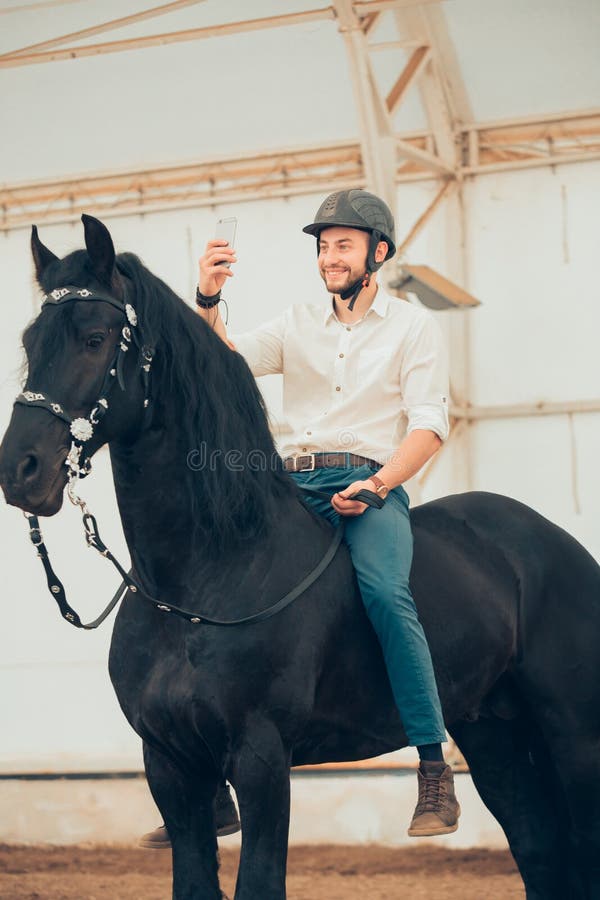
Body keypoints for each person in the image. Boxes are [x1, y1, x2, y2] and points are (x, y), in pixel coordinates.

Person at [141, 188, 459, 850]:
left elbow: (430, 426)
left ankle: (433, 764)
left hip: (369, 483)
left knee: (386, 593)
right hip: (291, 483)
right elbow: (218, 362)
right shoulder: (295, 323)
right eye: (321, 246)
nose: (328, 257)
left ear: (378, 251)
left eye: (342, 244)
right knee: (212, 579)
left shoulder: (413, 328)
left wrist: (376, 485)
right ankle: (209, 783)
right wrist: (206, 295)